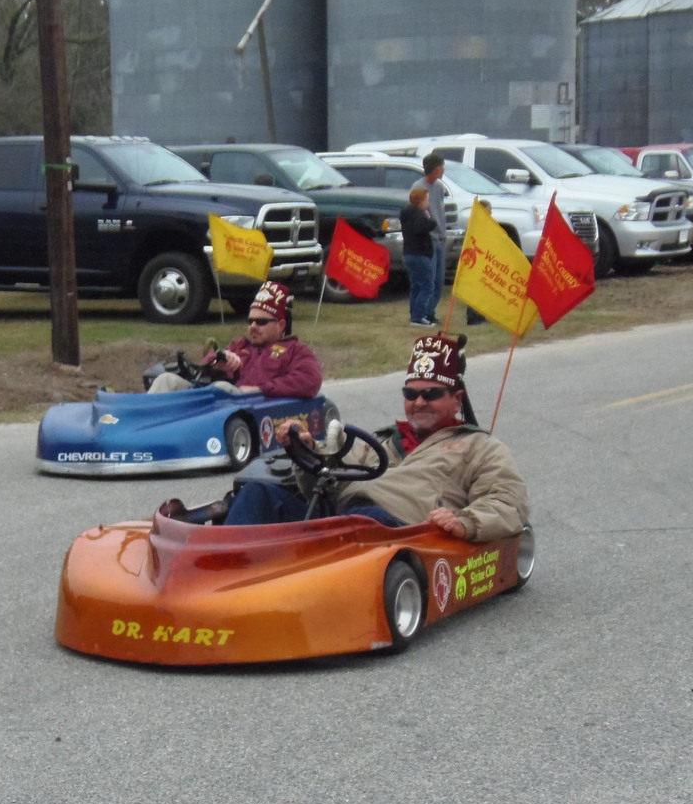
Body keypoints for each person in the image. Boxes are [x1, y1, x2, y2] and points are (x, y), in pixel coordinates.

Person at [223, 332, 528, 540]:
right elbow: (325, 482)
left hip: (398, 529)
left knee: (362, 518)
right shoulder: (380, 442)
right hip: (341, 520)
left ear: (456, 399)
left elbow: (509, 503)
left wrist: (465, 522)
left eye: (431, 394)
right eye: (411, 393)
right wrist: (306, 453)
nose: (419, 403)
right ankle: (221, 573)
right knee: (256, 494)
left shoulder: (479, 447)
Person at [146, 281, 323, 398]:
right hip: (212, 400)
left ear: (281, 325)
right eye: (250, 321)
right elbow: (205, 364)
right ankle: (138, 429)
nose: (253, 326)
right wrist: (216, 363)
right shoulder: (240, 345)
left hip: (250, 406)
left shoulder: (295, 350)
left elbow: (310, 380)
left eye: (261, 322)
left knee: (221, 389)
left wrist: (260, 389)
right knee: (166, 380)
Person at [410, 154, 448, 326]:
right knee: (428, 279)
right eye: (441, 167)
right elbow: (417, 213)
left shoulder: (439, 187)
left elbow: (440, 211)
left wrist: (444, 233)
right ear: (433, 168)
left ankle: (430, 312)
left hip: (441, 238)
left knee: (439, 281)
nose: (443, 170)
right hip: (429, 240)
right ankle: (421, 314)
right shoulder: (419, 187)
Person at [401, 186, 438, 327]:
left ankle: (414, 315)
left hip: (409, 253)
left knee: (416, 285)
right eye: (427, 200)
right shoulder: (418, 213)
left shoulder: (405, 212)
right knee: (427, 285)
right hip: (419, 254)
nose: (428, 203)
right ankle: (418, 317)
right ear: (422, 201)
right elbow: (421, 228)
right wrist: (430, 220)